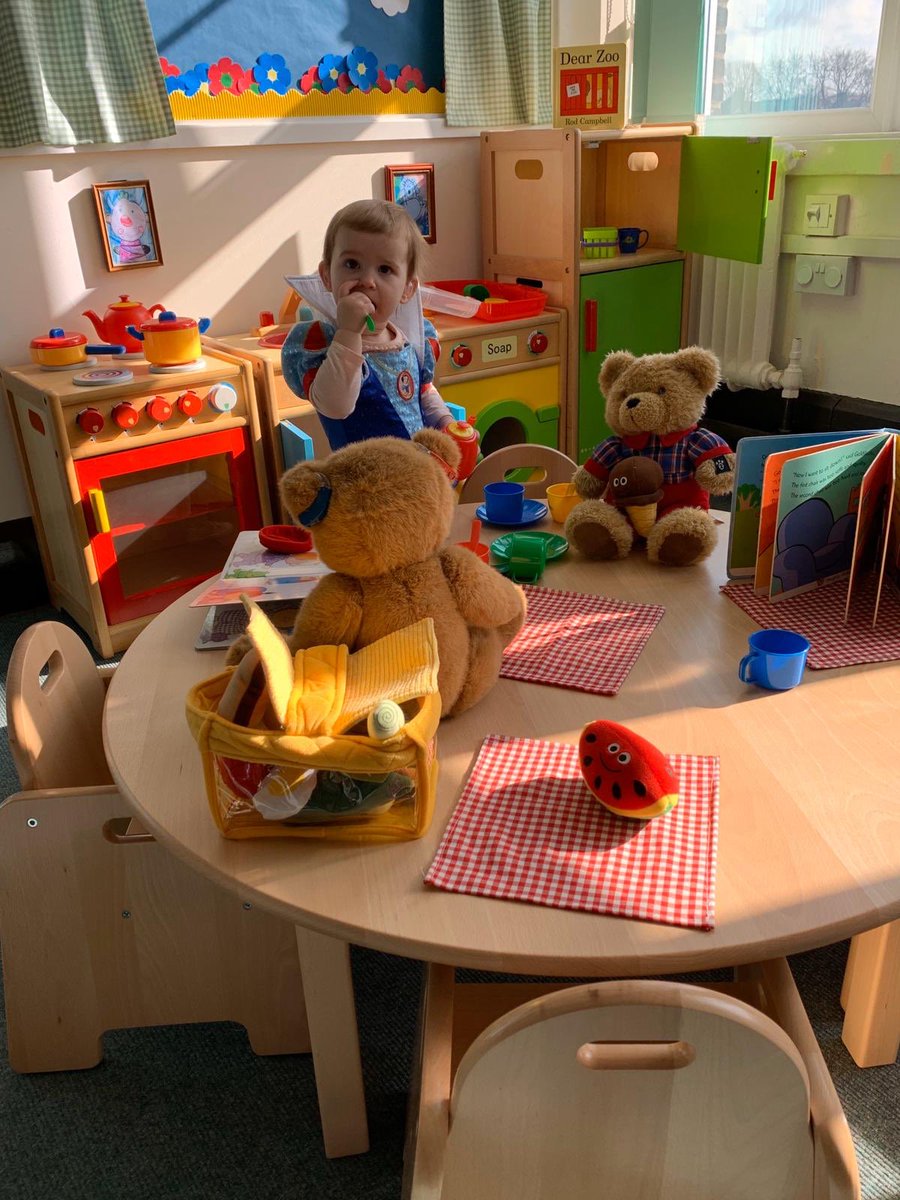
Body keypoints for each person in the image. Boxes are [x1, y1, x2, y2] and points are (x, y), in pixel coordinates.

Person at [281, 199, 454, 451]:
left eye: (384, 269)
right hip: (362, 481)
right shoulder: (324, 342)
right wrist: (349, 333)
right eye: (352, 264)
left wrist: (445, 421)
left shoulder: (411, 339)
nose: (367, 280)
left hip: (416, 475)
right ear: (327, 275)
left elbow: (422, 391)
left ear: (407, 289)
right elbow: (335, 407)